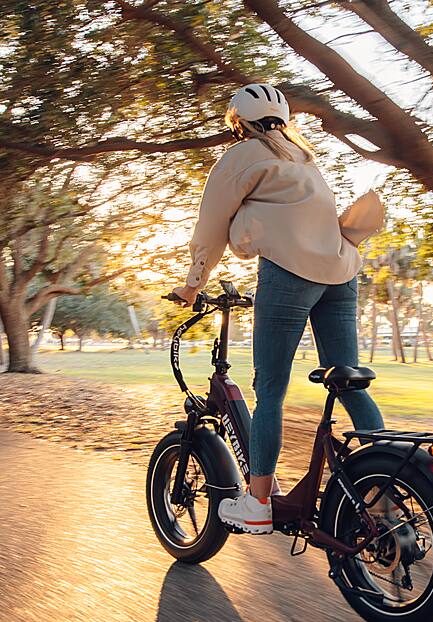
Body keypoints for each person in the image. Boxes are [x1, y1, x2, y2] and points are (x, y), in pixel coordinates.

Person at [171, 83, 384, 534]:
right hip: (341, 272)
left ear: (239, 124)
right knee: (348, 381)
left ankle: (258, 503)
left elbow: (211, 224)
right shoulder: (303, 158)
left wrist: (193, 285)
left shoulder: (242, 155)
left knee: (270, 391)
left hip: (289, 273)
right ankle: (387, 484)